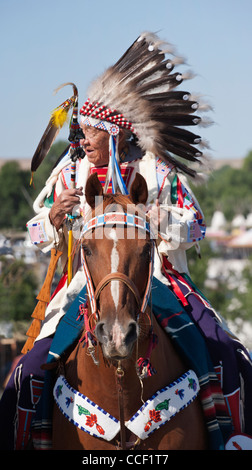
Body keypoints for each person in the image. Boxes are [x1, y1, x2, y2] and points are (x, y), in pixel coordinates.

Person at [1, 31, 252, 451]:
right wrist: (53, 217)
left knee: (226, 352)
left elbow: (197, 226)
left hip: (159, 279)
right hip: (83, 285)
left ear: (114, 133)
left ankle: (232, 440)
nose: (79, 142)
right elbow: (34, 234)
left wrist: (159, 220)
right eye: (78, 134)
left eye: (88, 134)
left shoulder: (156, 172)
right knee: (28, 368)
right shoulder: (69, 176)